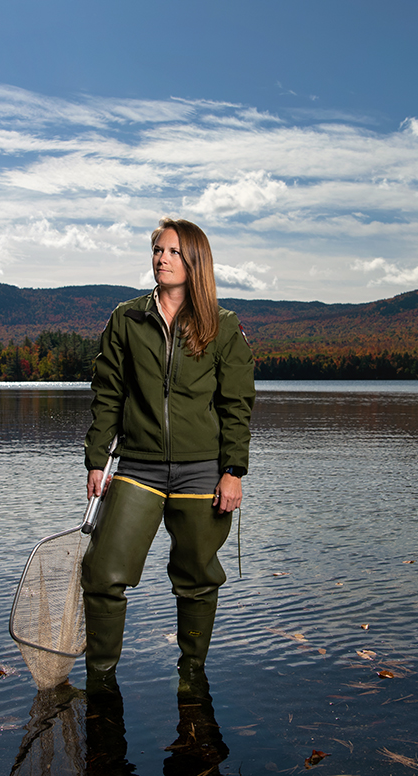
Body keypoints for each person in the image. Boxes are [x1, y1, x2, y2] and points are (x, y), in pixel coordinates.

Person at [81, 217, 255, 677]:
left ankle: (192, 676)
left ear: (195, 260)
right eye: (158, 250)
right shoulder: (127, 318)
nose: (162, 258)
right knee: (102, 576)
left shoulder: (221, 325)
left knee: (197, 581)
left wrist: (233, 471)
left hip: (203, 471)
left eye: (174, 252)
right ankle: (100, 680)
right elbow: (108, 395)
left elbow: (237, 405)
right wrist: (97, 459)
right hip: (138, 467)